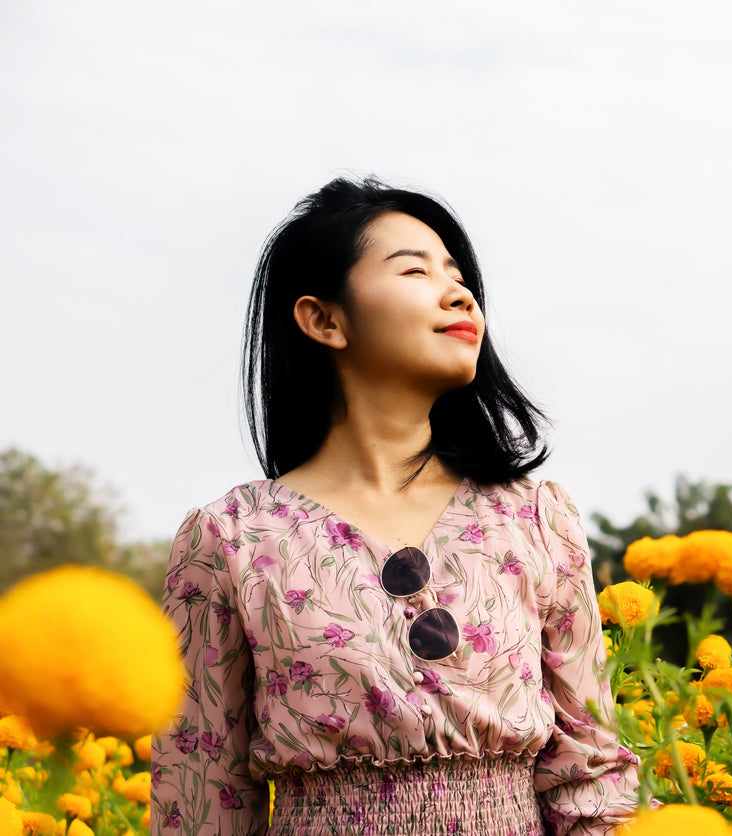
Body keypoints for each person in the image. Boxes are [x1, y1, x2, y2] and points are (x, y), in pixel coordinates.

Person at [150, 177, 642, 835]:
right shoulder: (232, 540)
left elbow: (592, 782)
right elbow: (198, 803)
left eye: (460, 276)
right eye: (415, 269)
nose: (460, 292)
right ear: (324, 319)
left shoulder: (534, 520)